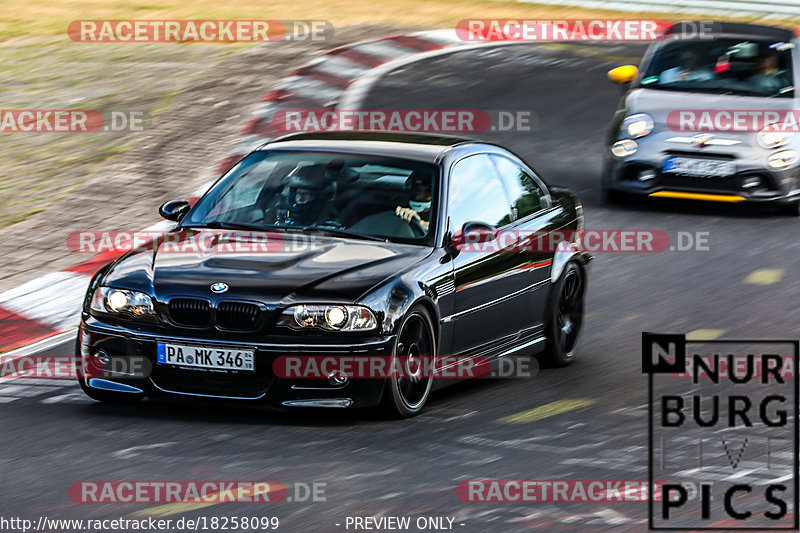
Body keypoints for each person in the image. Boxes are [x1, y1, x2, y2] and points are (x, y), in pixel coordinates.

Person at [274, 164, 341, 227]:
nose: (300, 198)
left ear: (318, 197)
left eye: (306, 194)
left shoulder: (329, 225)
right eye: (298, 192)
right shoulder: (283, 214)